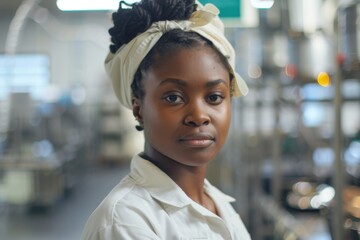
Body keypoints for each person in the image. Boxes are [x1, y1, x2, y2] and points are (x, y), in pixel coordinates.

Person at [81, 0, 251, 239]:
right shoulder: (126, 223)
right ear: (138, 109)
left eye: (214, 97)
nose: (199, 116)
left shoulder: (218, 203)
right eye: (173, 97)